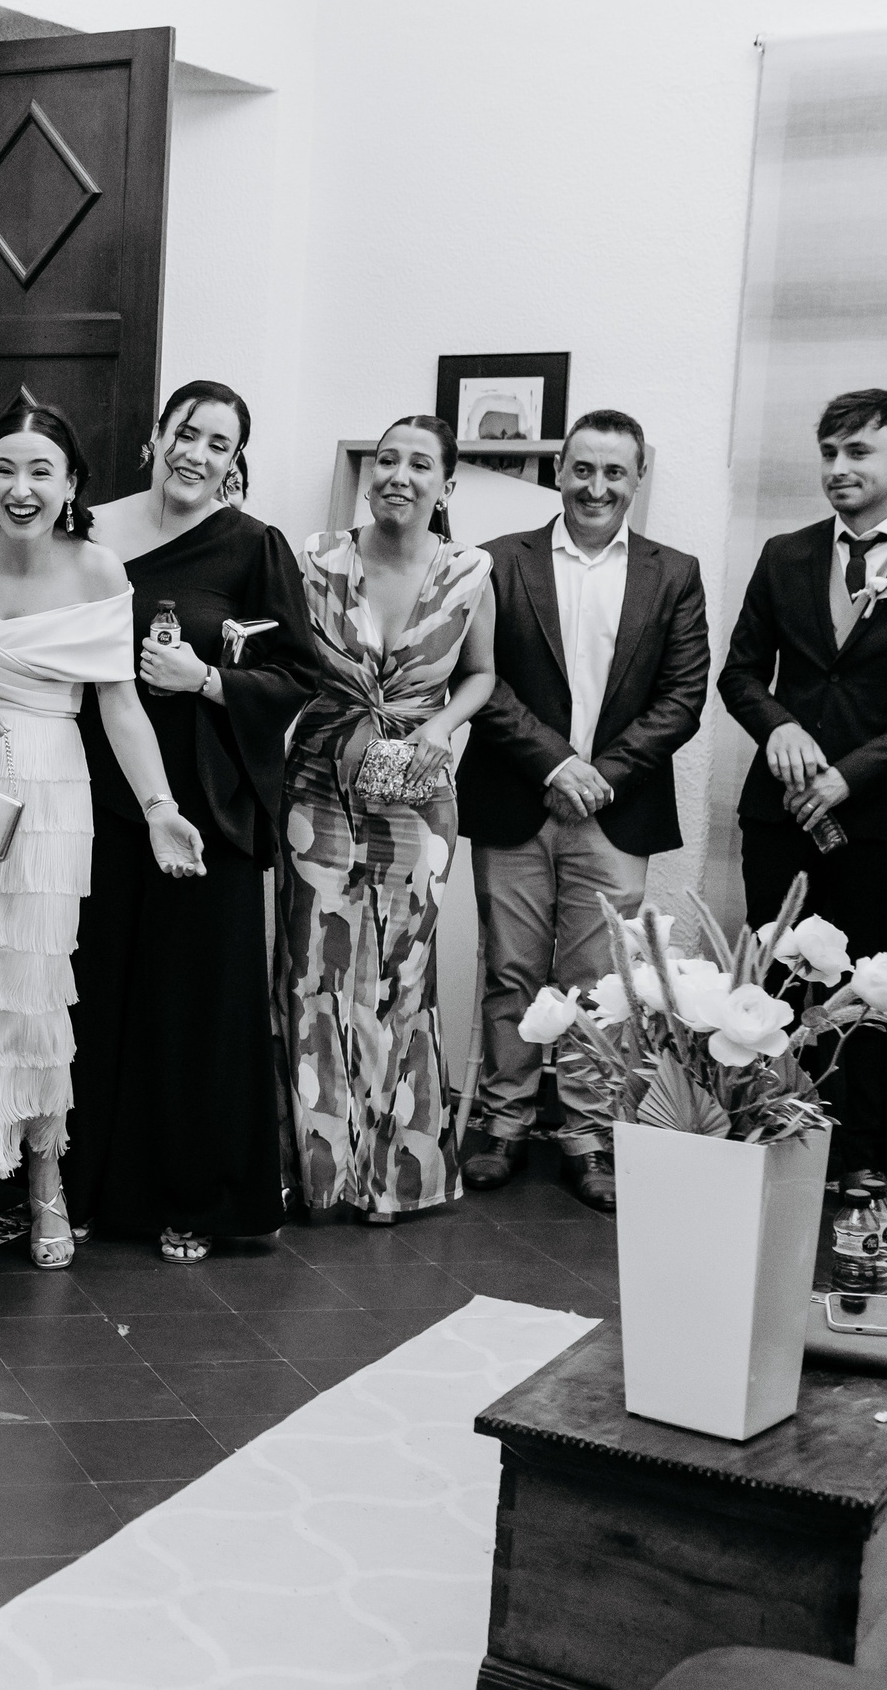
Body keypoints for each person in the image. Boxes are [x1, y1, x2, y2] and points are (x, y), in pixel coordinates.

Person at [0, 404, 205, 1268]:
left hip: (50, 786)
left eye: (41, 470)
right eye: (6, 468)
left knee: (34, 983)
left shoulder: (97, 567)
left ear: (71, 485)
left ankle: (44, 1177)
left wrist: (160, 805)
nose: (22, 488)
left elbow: (119, 703)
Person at [67, 381, 320, 1265]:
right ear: (155, 434)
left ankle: (196, 1197)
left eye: (219, 444)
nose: (197, 454)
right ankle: (76, 1186)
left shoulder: (254, 546)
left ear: (234, 460)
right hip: (95, 789)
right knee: (94, 992)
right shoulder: (88, 529)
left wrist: (207, 680)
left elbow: (297, 674)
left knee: (195, 1004)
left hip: (207, 803)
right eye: (186, 433)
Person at [458, 410, 708, 1213]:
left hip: (616, 809)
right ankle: (502, 1123)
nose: (597, 487)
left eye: (614, 472)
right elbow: (479, 677)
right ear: (560, 470)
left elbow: (683, 696)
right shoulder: (498, 561)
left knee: (601, 982)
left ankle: (588, 1133)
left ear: (638, 478)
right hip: (516, 799)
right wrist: (554, 763)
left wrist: (600, 775)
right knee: (511, 971)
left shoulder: (675, 573)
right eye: (584, 469)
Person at [280, 416, 497, 1223]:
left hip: (419, 789)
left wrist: (442, 725)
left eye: (419, 463)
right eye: (386, 459)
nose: (398, 474)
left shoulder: (469, 572)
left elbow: (482, 674)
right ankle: (317, 1171)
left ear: (447, 484)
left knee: (400, 975)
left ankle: (392, 1174)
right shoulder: (316, 559)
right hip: (321, 781)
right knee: (314, 969)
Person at [718, 388, 887, 1181]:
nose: (838, 467)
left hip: (885, 820)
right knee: (773, 982)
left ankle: (860, 1157)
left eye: (858, 451)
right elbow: (739, 674)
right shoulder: (787, 555)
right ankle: (768, 1138)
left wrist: (850, 776)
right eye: (829, 453)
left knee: (875, 988)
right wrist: (776, 724)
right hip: (781, 816)